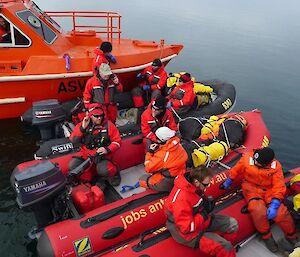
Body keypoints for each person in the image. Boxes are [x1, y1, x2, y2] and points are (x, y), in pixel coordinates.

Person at [221, 147, 299, 253]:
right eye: (255, 160)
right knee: (257, 210)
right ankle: (267, 237)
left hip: (269, 190)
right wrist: (229, 180)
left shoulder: (275, 167)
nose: (256, 163)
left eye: (259, 162)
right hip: (251, 188)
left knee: (281, 213)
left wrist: (275, 204)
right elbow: (236, 169)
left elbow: (279, 186)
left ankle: (292, 236)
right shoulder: (247, 158)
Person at [165, 166, 238, 257]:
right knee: (225, 247)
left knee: (232, 224)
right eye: (206, 185)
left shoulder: (194, 188)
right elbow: (186, 228)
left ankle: (224, 250)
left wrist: (205, 207)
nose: (207, 187)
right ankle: (225, 250)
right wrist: (203, 214)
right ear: (196, 182)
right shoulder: (181, 199)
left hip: (199, 220)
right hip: (186, 233)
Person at [69, 105, 122, 187]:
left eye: (101, 115)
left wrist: (107, 149)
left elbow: (117, 141)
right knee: (73, 165)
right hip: (87, 155)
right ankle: (89, 179)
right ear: (90, 116)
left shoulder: (108, 125)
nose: (99, 118)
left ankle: (114, 175)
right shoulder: (82, 125)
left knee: (104, 169)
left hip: (102, 155)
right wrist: (82, 128)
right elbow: (73, 141)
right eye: (96, 116)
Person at [139, 127, 187, 192]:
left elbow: (148, 168)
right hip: (179, 174)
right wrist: (160, 148)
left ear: (161, 140)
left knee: (142, 180)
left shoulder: (163, 155)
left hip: (168, 181)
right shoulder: (178, 145)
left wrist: (149, 153)